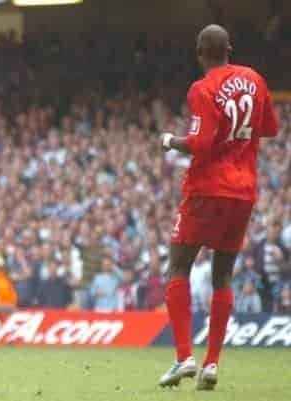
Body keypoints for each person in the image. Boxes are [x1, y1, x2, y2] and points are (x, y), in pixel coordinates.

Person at [158, 25, 279, 390]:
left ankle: (184, 358)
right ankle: (211, 365)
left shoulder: (203, 88)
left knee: (178, 266)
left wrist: (171, 141)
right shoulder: (255, 79)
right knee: (222, 275)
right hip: (243, 190)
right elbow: (270, 128)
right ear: (230, 48)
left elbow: (203, 144)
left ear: (199, 52)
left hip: (206, 189)